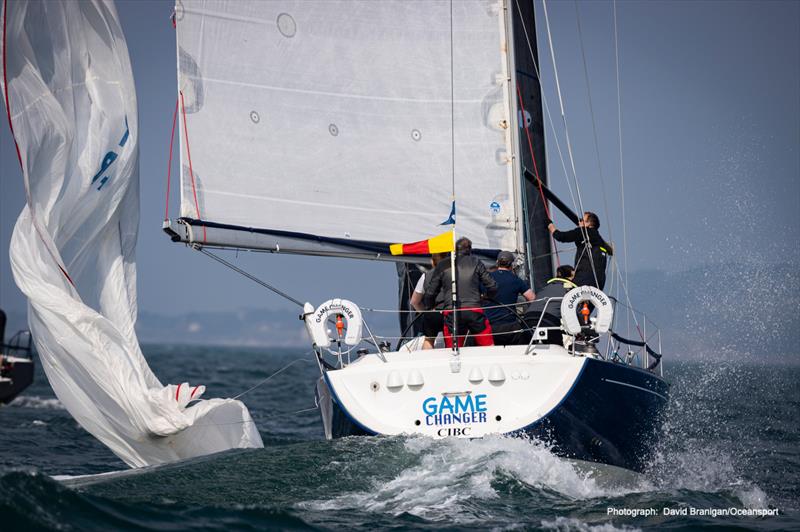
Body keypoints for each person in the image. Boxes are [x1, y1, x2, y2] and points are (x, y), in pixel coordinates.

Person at [423, 237, 497, 348]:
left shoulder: (443, 264)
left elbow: (430, 293)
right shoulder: (476, 262)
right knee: (488, 346)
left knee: (453, 350)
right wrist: (485, 297)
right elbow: (492, 286)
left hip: (452, 313)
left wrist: (430, 306)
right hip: (474, 311)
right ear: (470, 250)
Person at [547, 211, 612, 289]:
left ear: (588, 224)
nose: (579, 222)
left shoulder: (584, 231)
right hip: (599, 283)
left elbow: (561, 236)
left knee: (562, 287)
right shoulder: (600, 240)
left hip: (584, 279)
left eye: (581, 220)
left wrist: (550, 225)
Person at [483, 251, 534, 344]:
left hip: (489, 327)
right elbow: (532, 298)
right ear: (512, 264)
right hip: (509, 326)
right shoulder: (516, 280)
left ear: (497, 262)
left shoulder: (487, 278)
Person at [522, 265, 577, 346]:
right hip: (547, 321)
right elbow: (575, 314)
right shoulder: (571, 291)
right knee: (558, 349)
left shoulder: (545, 287)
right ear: (571, 277)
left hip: (527, 320)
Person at [410, 253, 448, 349]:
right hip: (450, 312)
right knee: (452, 337)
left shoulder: (425, 276)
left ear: (432, 262)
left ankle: (427, 361)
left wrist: (425, 313)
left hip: (432, 313)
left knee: (429, 340)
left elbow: (414, 302)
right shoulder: (454, 274)